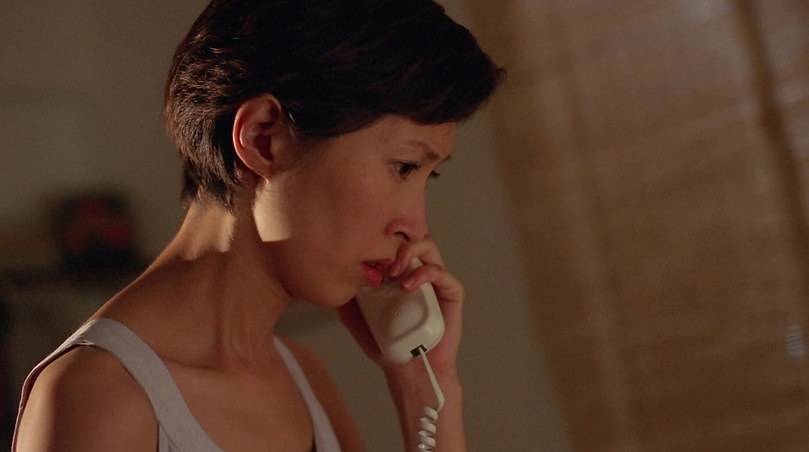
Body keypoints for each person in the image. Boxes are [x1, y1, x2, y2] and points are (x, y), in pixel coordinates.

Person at [12, 0, 503, 450]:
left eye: (428, 175)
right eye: (404, 167)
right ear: (264, 138)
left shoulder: (305, 380)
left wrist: (426, 388)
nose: (415, 226)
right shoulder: (98, 397)